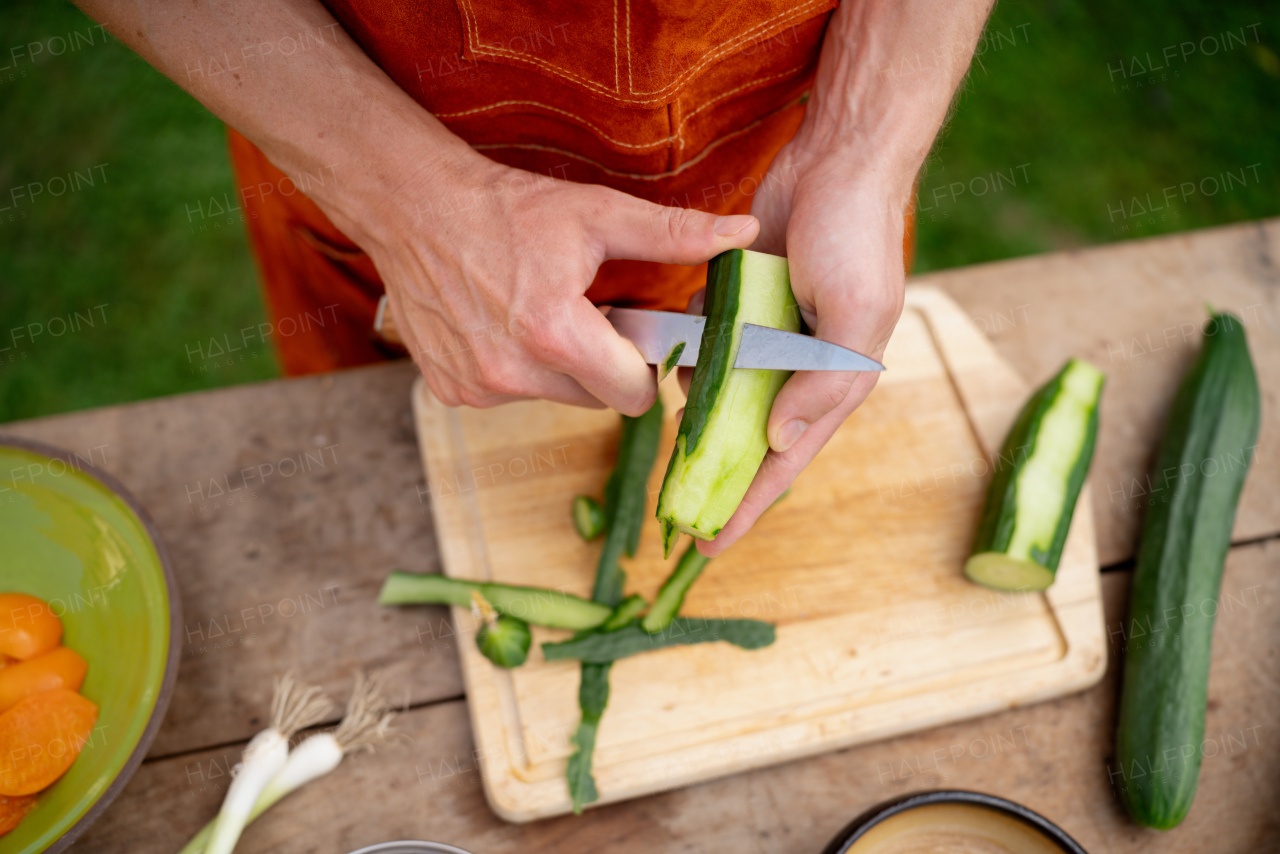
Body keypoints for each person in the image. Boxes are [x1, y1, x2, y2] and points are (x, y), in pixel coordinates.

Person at [75, 0, 993, 555]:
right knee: (362, 490)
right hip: (368, 153)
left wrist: (864, 136)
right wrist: (403, 200)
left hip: (778, 172)